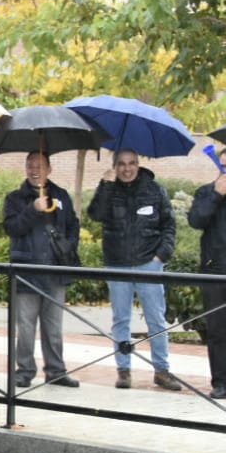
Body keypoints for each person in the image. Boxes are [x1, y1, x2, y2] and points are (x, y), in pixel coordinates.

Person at [87, 150, 183, 390]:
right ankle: (124, 370)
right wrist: (105, 185)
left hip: (148, 264)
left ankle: (161, 370)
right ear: (115, 166)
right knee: (121, 320)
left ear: (139, 165)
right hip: (117, 264)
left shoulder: (154, 190)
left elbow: (169, 225)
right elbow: (95, 214)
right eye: (121, 164)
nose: (126, 169)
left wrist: (162, 255)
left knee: (156, 320)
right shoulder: (109, 188)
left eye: (131, 164)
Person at [3, 152, 82, 388]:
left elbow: (73, 225)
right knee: (25, 327)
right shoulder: (15, 198)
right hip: (27, 271)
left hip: (56, 270)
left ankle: (56, 370)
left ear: (50, 169)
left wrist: (69, 246)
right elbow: (12, 228)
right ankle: (24, 370)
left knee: (54, 326)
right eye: (30, 166)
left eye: (40, 166)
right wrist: (32, 209)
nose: (34, 170)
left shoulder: (61, 196)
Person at [188, 168, 226, 399]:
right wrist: (217, 195)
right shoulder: (206, 192)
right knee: (217, 330)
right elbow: (196, 220)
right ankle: (221, 381)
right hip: (214, 271)